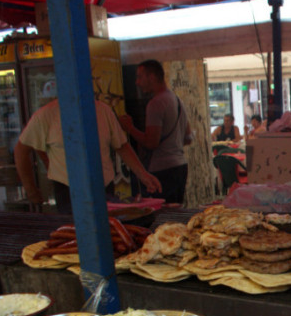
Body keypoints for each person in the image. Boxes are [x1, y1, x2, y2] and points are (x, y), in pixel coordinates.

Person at [14, 99, 161, 215]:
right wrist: (31, 190)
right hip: (68, 192)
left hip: (104, 189)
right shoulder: (46, 115)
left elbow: (121, 145)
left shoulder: (103, 110)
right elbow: (21, 151)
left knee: (110, 236)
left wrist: (144, 175)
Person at [119, 59, 190, 204]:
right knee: (175, 212)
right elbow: (188, 138)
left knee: (162, 217)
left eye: (139, 77)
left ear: (151, 77)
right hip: (180, 166)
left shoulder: (156, 103)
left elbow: (151, 143)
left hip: (162, 170)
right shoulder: (177, 100)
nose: (136, 82)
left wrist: (129, 128)